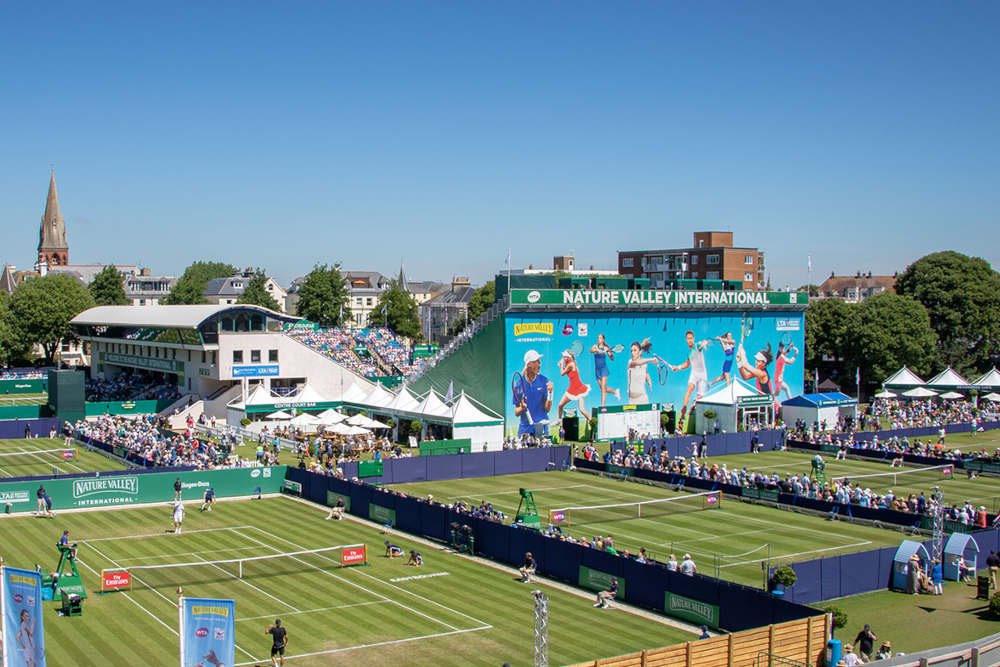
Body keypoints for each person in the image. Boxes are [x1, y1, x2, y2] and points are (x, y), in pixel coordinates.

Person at [670, 331, 710, 428]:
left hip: (703, 375)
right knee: (689, 389)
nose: (690, 340)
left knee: (699, 399)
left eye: (691, 338)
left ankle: (693, 406)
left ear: (694, 338)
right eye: (688, 338)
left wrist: (704, 343)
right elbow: (687, 365)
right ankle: (683, 413)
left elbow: (702, 344)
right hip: (694, 373)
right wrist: (677, 367)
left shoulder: (697, 345)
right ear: (686, 340)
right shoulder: (689, 353)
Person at [513, 350, 554, 437]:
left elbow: (547, 409)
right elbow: (516, 412)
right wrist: (522, 407)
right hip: (525, 429)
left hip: (541, 427)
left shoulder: (544, 381)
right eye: (537, 361)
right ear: (529, 364)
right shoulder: (518, 384)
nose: (540, 364)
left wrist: (550, 394)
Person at [556, 350, 590, 419]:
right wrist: (561, 364)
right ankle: (559, 421)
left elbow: (562, 373)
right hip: (575, 388)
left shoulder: (570, 364)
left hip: (578, 389)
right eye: (562, 357)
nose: (563, 358)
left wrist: (561, 365)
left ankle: (592, 422)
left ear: (568, 358)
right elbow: (564, 367)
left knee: (582, 410)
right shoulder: (571, 363)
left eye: (564, 357)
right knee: (560, 405)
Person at [590, 333, 621, 406]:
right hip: (597, 370)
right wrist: (597, 350)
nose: (598, 339)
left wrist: (610, 355)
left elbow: (612, 359)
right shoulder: (595, 346)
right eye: (598, 338)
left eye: (600, 338)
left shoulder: (606, 348)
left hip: (604, 369)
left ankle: (602, 406)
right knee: (602, 388)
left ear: (603, 340)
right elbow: (591, 351)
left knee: (603, 387)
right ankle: (615, 392)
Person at [626, 340, 656, 404]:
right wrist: (651, 359)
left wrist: (649, 381)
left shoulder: (644, 364)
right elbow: (637, 363)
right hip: (632, 400)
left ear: (640, 352)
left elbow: (646, 372)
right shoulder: (630, 362)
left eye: (634, 350)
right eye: (631, 351)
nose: (632, 353)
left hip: (643, 399)